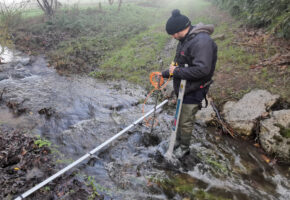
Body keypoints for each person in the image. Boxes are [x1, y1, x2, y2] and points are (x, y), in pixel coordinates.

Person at [161, 9, 217, 158]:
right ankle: (176, 142)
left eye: (173, 33)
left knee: (185, 121)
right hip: (183, 88)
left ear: (180, 29)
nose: (172, 37)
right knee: (178, 118)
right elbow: (179, 64)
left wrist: (177, 72)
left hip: (194, 89)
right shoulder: (184, 40)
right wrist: (166, 73)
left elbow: (202, 69)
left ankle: (183, 148)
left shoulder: (202, 42)